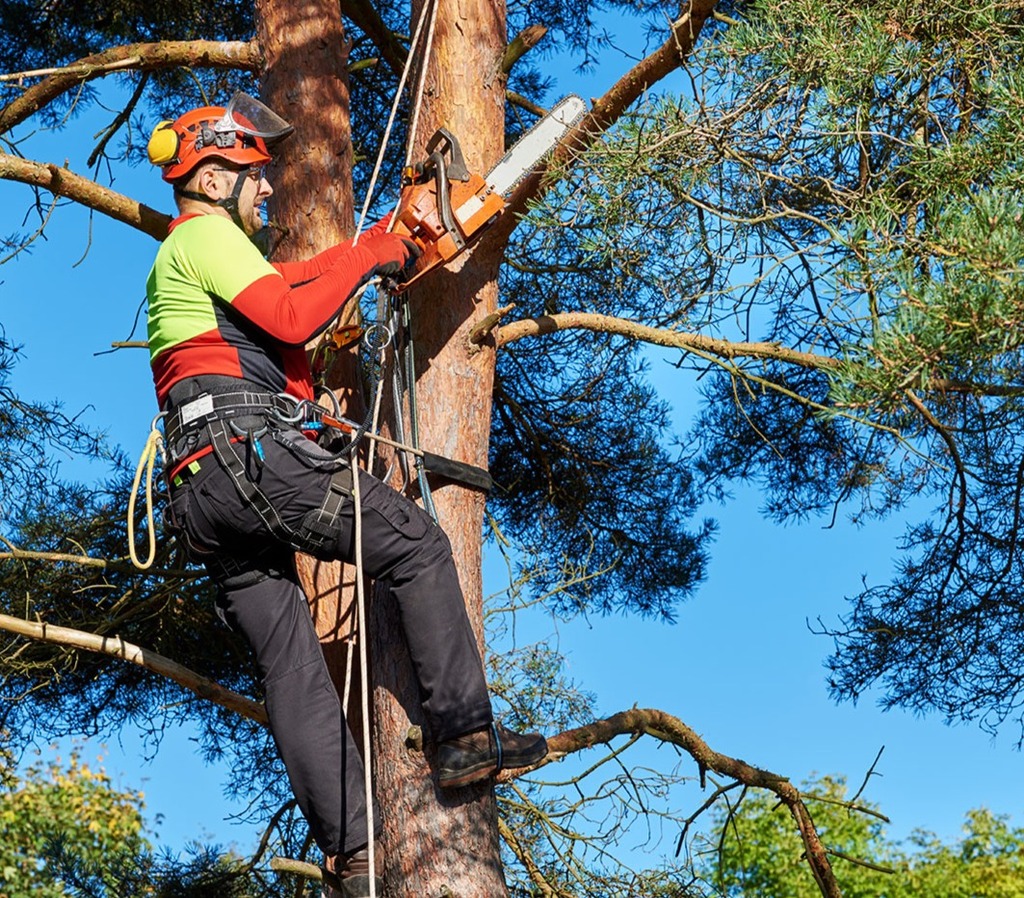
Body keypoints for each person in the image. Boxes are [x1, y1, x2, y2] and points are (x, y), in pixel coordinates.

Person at [144, 93, 547, 896]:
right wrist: (370, 254)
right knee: (416, 545)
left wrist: (381, 246)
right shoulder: (206, 238)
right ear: (216, 177)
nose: (266, 192)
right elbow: (293, 315)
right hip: (245, 460)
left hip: (201, 492)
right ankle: (464, 735)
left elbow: (290, 288)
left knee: (291, 665)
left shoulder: (200, 263)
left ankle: (356, 855)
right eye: (255, 177)